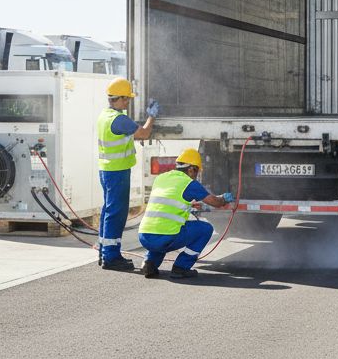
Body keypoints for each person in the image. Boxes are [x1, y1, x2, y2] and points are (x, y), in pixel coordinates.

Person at [139, 148, 235, 279]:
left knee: (161, 231)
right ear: (191, 169)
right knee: (205, 229)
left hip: (145, 236)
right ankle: (181, 267)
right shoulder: (189, 183)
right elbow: (215, 202)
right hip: (166, 237)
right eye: (196, 172)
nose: (196, 176)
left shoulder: (160, 178)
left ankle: (149, 263)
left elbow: (170, 201)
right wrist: (224, 199)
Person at [97, 77, 156, 271]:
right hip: (118, 172)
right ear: (119, 98)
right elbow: (144, 133)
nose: (128, 103)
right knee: (116, 213)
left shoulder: (105, 116)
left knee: (108, 211)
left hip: (106, 170)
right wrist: (151, 116)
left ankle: (104, 251)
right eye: (127, 99)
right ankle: (111, 257)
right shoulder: (119, 119)